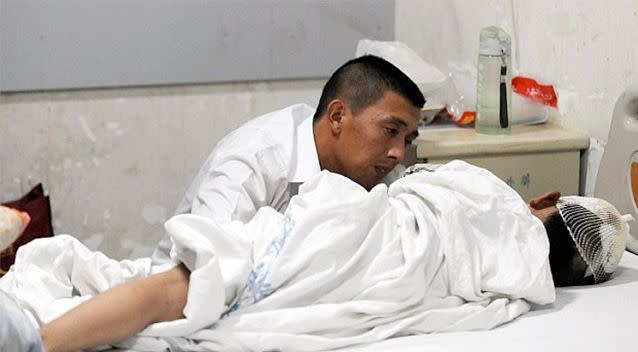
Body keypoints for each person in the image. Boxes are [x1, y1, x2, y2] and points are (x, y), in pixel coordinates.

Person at [1, 161, 631, 352]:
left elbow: (413, 184)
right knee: (189, 283)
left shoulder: (486, 193)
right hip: (380, 260)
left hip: (350, 239)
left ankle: (36, 341)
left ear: (543, 202)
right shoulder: (518, 288)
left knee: (185, 284)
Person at [151, 54, 426, 265]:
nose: (398, 152)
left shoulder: (383, 173)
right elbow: (207, 263)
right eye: (390, 131)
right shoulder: (256, 160)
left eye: (407, 140)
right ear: (338, 116)